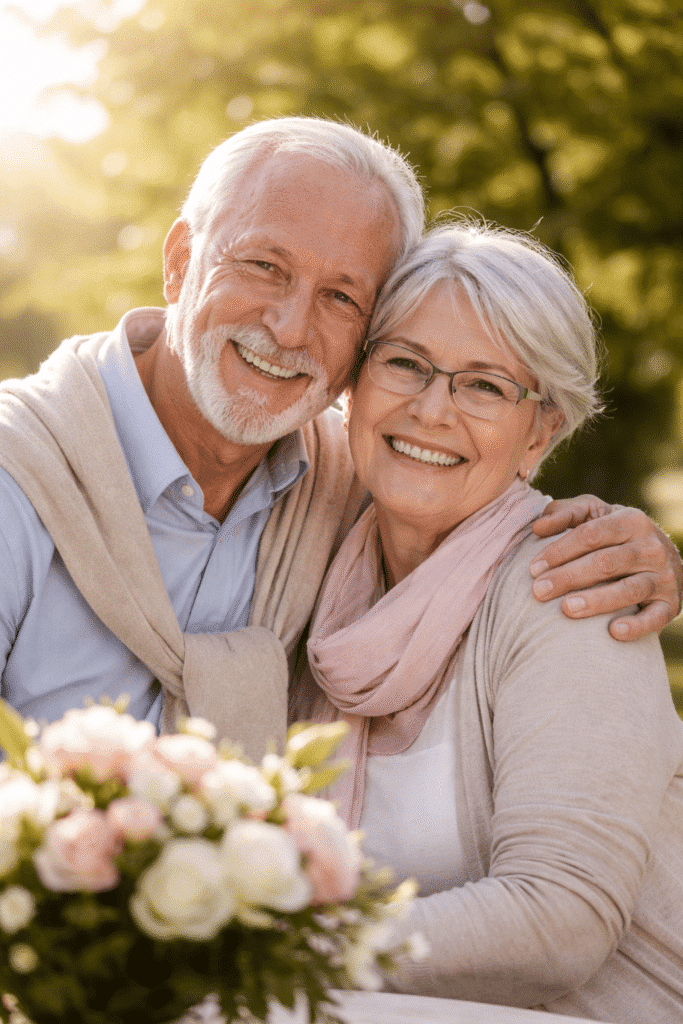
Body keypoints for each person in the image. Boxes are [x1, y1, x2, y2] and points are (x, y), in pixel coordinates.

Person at [0, 118, 679, 761]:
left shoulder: (350, 486)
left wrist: (637, 550)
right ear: (179, 262)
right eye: (264, 265)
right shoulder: (19, 471)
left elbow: (474, 515)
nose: (291, 328)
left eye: (341, 297)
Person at [293, 219, 683, 1022]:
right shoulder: (313, 560)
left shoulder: (569, 587)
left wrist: (280, 954)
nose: (432, 409)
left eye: (483, 385)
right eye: (405, 363)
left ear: (540, 433)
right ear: (352, 385)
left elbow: (558, 923)